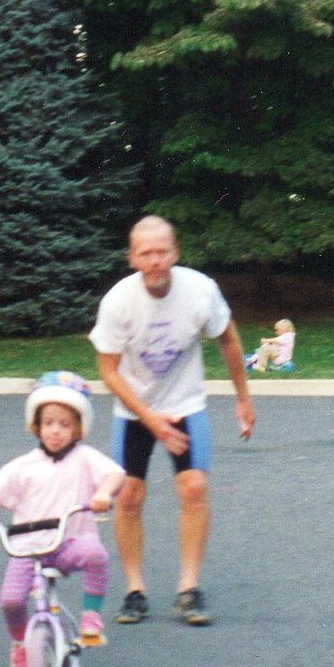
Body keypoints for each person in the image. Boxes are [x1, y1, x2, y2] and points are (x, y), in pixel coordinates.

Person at [89, 215, 255, 627]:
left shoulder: (200, 291)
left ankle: (188, 588)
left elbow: (228, 338)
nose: (155, 260)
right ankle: (134, 590)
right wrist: (151, 421)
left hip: (185, 403)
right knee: (128, 495)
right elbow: (108, 371)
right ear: (132, 258)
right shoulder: (118, 302)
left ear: (175, 253)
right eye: (146, 253)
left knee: (194, 488)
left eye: (162, 251)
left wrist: (243, 398)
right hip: (134, 409)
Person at [0, 372, 126, 667]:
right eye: (49, 423)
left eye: (65, 425)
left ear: (78, 428)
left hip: (69, 541)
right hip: (26, 549)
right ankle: (20, 644)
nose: (55, 431)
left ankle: (91, 617)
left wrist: (103, 493)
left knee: (96, 555)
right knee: (10, 600)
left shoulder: (85, 458)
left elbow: (114, 475)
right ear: (36, 425)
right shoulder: (22, 466)